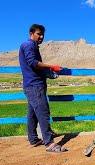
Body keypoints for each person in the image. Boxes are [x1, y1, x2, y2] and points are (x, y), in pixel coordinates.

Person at [19, 24, 67, 153]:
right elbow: (33, 63)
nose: (41, 37)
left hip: (31, 85)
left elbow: (34, 66)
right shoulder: (29, 45)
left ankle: (33, 139)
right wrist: (51, 67)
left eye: (42, 35)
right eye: (38, 34)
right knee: (43, 112)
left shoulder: (31, 46)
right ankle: (49, 143)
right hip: (34, 86)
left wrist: (47, 73)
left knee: (32, 114)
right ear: (31, 33)